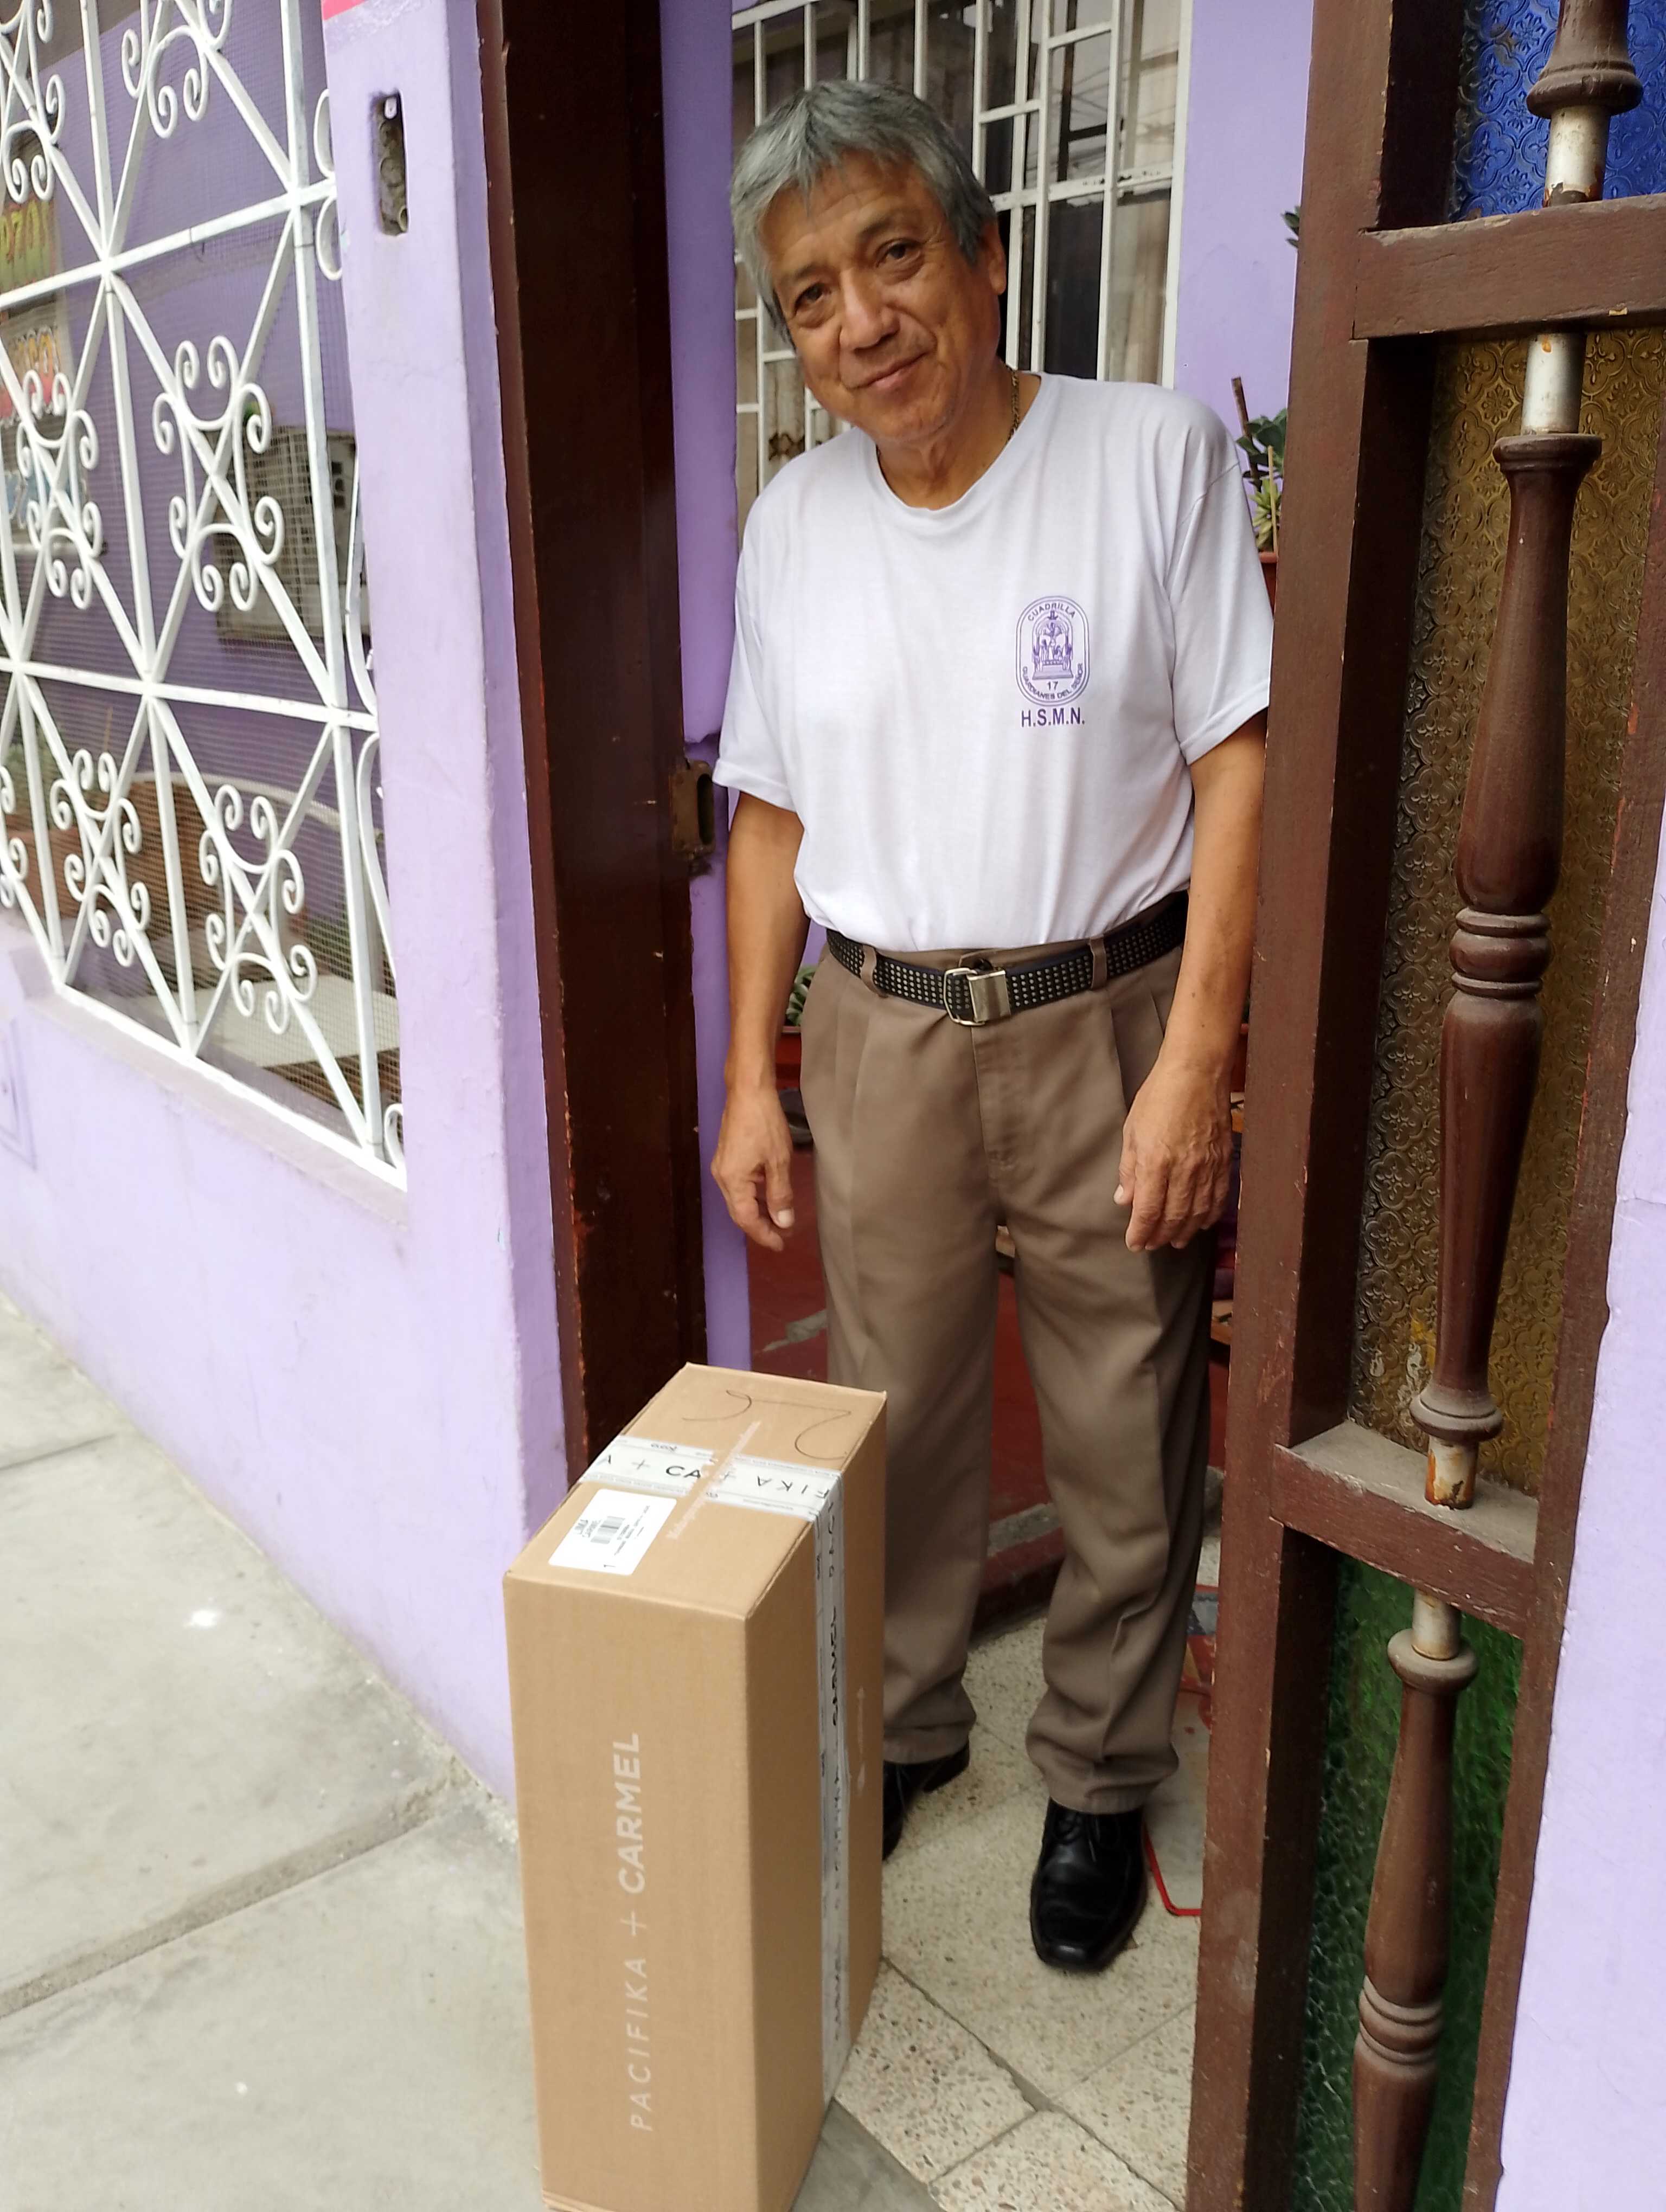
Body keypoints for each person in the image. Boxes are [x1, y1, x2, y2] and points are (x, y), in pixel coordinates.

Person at [712, 80, 1271, 1973]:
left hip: (1106, 1010)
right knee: (893, 1409)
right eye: (811, 295)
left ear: (985, 256)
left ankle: (1101, 1772)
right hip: (878, 1030)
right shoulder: (794, 525)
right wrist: (751, 1078)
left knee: (1125, 1414)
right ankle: (907, 1726)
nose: (862, 322)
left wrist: (1197, 1057)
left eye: (893, 257)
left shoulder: (1149, 458)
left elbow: (1236, 761)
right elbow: (768, 816)